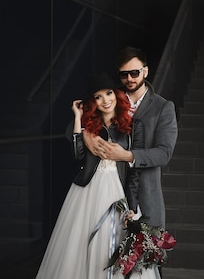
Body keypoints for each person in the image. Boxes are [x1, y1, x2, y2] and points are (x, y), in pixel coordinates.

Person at [35, 72, 160, 279]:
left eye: (109, 93)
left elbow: (133, 170)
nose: (105, 100)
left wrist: (132, 204)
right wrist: (78, 118)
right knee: (79, 243)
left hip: (117, 190)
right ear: (92, 101)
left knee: (120, 243)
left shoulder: (129, 126)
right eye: (98, 96)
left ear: (116, 94)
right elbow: (78, 156)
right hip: (88, 191)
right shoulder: (90, 126)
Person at [83, 47, 178, 230]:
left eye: (135, 73)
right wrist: (86, 134)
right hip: (106, 192)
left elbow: (164, 153)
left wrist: (127, 156)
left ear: (146, 71)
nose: (130, 79)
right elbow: (77, 119)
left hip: (145, 196)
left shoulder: (163, 107)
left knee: (142, 256)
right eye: (124, 74)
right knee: (102, 256)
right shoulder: (109, 97)